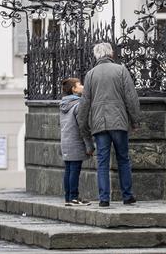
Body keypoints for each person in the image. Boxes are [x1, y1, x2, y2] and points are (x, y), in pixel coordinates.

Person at [76, 42, 141, 207]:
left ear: (96, 56)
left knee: (102, 162)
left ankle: (104, 199)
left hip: (99, 125)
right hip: (119, 122)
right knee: (123, 159)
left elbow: (84, 104)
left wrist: (84, 129)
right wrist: (135, 121)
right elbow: (131, 98)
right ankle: (127, 195)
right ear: (111, 54)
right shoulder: (120, 70)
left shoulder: (90, 75)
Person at [59, 77, 93, 206]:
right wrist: (90, 146)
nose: (83, 86)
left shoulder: (63, 104)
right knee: (74, 170)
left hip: (66, 141)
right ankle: (74, 197)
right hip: (76, 142)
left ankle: (68, 197)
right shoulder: (78, 105)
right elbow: (82, 126)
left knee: (68, 170)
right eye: (80, 85)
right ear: (73, 89)